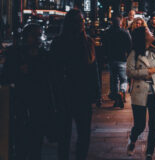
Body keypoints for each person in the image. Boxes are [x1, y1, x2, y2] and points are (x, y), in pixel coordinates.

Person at [51, 9, 100, 160]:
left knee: (83, 135)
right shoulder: (60, 43)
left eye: (82, 21)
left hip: (81, 94)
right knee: (65, 136)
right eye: (78, 21)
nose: (81, 24)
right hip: (66, 94)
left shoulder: (87, 42)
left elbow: (94, 69)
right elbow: (53, 71)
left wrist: (96, 92)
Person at [2, 23, 53, 160]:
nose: (37, 38)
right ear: (26, 37)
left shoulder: (44, 55)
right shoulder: (15, 54)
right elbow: (5, 76)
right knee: (21, 139)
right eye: (34, 35)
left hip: (39, 103)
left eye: (39, 35)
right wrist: (18, 72)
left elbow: (49, 77)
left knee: (37, 140)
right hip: (20, 102)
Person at [126, 26, 155, 160]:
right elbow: (129, 72)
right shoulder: (134, 53)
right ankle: (133, 139)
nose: (152, 33)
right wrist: (148, 72)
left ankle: (149, 152)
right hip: (140, 93)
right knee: (139, 125)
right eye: (149, 32)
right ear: (143, 36)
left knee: (154, 125)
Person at [103, 13, 132, 108]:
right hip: (122, 59)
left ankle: (116, 98)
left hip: (111, 59)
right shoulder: (124, 32)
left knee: (114, 80)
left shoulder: (107, 33)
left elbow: (104, 46)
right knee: (124, 79)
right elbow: (129, 46)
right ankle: (122, 92)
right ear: (120, 21)